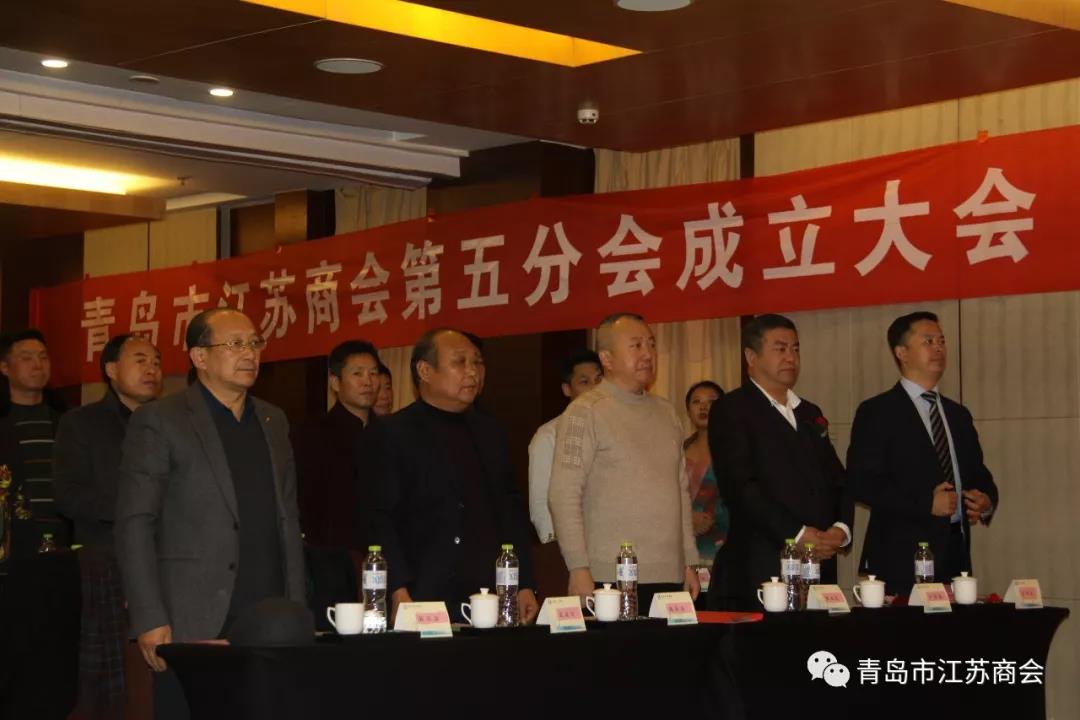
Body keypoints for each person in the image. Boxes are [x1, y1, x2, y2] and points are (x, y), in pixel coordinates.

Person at [115, 308, 305, 720]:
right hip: (191, 614)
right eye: (235, 344)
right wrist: (148, 616)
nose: (249, 353)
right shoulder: (160, 420)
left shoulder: (273, 419)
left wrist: (298, 607)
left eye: (254, 343)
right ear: (199, 357)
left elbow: (288, 519)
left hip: (269, 617)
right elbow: (135, 523)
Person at [368, 328, 538, 624]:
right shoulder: (392, 433)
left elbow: (510, 511)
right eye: (460, 362)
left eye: (477, 362)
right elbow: (380, 518)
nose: (472, 372)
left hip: (489, 591)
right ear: (425, 371)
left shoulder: (491, 432)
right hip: (423, 587)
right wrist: (396, 588)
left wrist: (524, 582)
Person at [549, 313, 699, 611]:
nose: (648, 354)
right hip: (609, 577)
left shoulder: (668, 413)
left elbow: (680, 491)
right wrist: (578, 567)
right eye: (636, 345)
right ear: (607, 358)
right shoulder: (584, 411)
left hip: (669, 574)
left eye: (651, 344)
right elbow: (563, 494)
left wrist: (689, 561)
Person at [707, 314, 853, 610]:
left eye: (795, 349)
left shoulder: (810, 413)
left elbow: (839, 479)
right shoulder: (731, 410)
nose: (791, 357)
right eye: (780, 348)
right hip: (762, 563)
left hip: (818, 564)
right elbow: (741, 487)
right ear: (751, 357)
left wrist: (841, 528)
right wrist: (797, 534)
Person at [848, 311, 998, 594]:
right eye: (928, 341)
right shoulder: (877, 412)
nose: (938, 348)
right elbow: (862, 483)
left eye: (941, 341)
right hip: (900, 557)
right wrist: (925, 503)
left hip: (955, 554)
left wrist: (986, 500)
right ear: (902, 352)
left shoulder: (958, 414)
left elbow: (979, 474)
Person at [54, 334, 163, 720]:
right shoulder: (81, 423)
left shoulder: (171, 423)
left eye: (157, 361)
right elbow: (68, 495)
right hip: (106, 562)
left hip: (166, 562)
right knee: (109, 678)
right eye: (140, 360)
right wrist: (134, 511)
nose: (152, 369)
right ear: (111, 370)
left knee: (160, 674)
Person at [296, 340, 381, 550]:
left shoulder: (390, 432)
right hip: (332, 553)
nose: (368, 381)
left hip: (383, 550)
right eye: (357, 373)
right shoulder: (313, 434)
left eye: (373, 373)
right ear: (335, 382)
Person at [0, 329, 68, 562]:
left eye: (43, 357)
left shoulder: (67, 422)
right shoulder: (4, 423)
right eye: (26, 358)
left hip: (63, 543)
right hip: (13, 547)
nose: (38, 365)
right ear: (5, 367)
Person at [527, 349, 602, 543]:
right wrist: (561, 548)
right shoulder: (548, 436)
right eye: (585, 382)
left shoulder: (616, 430)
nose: (595, 388)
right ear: (567, 389)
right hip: (570, 546)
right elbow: (540, 504)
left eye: (599, 380)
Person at [683, 380, 729, 569]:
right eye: (696, 402)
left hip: (723, 547)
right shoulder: (678, 450)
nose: (703, 407)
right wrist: (687, 519)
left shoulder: (734, 450)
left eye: (711, 401)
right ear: (688, 410)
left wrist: (709, 517)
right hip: (683, 551)